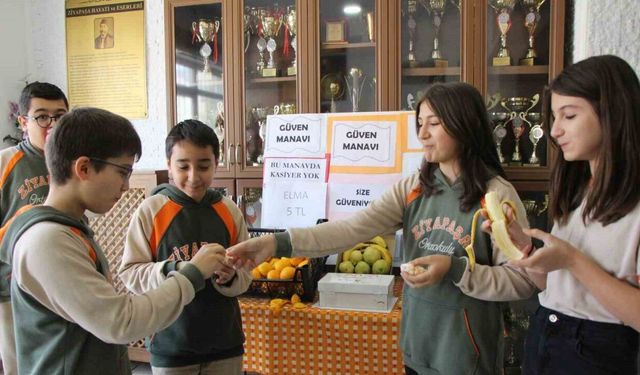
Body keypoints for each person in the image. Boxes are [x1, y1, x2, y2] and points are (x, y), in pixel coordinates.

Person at [228, 82, 537, 375]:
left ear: (465, 125)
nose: (423, 134)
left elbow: (523, 280)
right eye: (420, 123)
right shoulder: (415, 188)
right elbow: (350, 229)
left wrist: (455, 270)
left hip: (467, 358)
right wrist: (275, 244)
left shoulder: (496, 195)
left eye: (435, 123)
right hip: (417, 349)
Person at [0, 108, 230, 374]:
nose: (125, 185)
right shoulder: (47, 242)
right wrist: (192, 273)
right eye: (122, 172)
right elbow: (122, 322)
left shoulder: (69, 231)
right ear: (84, 168)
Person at [487, 55, 640, 375]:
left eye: (569, 116)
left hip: (597, 350)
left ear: (612, 112)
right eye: (554, 116)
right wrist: (521, 249)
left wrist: (572, 260)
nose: (554, 131)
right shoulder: (578, 191)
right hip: (545, 334)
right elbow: (554, 289)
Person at [120, 119, 251, 374]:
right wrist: (179, 269)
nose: (193, 177)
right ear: (169, 165)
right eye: (183, 166)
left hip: (225, 344)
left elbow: (247, 273)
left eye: (203, 166)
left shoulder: (229, 211)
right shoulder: (151, 211)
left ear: (216, 164)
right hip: (171, 346)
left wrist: (231, 277)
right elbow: (130, 274)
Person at [0, 81, 68, 375]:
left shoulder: (70, 163)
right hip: (12, 290)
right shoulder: (6, 163)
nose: (52, 124)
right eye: (42, 116)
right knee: (21, 366)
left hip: (61, 286)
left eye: (60, 116)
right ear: (23, 122)